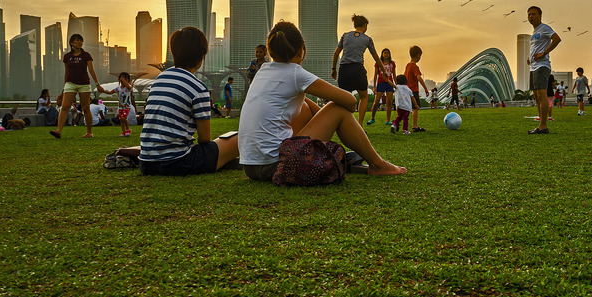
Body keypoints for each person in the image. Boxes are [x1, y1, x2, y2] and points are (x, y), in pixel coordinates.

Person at [239, 21, 406, 181]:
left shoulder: (262, 71)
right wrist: (332, 119)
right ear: (301, 50)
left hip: (251, 167)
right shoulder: (295, 72)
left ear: (270, 50)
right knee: (338, 109)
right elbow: (350, 101)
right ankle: (378, 164)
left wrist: (321, 117)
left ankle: (329, 153)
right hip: (278, 166)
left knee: (303, 105)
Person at [136, 27, 239, 176]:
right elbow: (204, 139)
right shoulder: (197, 87)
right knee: (239, 138)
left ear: (174, 52)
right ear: (201, 55)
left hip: (146, 163)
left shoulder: (160, 79)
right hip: (178, 162)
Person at [331, 14, 385, 125]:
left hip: (344, 68)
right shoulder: (367, 39)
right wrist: (384, 71)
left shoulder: (345, 36)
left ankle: (344, 123)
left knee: (345, 98)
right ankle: (359, 124)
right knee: (363, 97)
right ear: (365, 25)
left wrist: (333, 69)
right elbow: (376, 57)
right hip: (357, 69)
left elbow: (336, 53)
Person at [51, 34, 106, 138]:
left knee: (86, 108)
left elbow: (91, 70)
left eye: (81, 41)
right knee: (65, 107)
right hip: (70, 84)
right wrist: (65, 85)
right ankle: (59, 131)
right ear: (71, 43)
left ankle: (89, 132)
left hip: (84, 84)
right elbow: (66, 72)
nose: (80, 42)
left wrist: (97, 84)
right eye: (77, 40)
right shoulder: (67, 56)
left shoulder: (86, 55)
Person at [526, 6, 561, 134]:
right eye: (529, 14)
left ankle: (543, 125)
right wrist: (530, 57)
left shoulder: (545, 28)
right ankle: (541, 123)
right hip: (533, 66)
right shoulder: (534, 33)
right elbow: (536, 47)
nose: (530, 16)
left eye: (533, 14)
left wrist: (544, 53)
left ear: (540, 16)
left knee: (542, 95)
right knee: (536, 95)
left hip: (542, 66)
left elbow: (557, 39)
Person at [368, 48, 397, 125]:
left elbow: (394, 75)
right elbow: (375, 75)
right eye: (385, 53)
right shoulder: (378, 63)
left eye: (388, 53)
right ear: (382, 54)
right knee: (376, 102)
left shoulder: (392, 64)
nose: (386, 54)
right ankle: (372, 118)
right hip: (380, 83)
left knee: (389, 102)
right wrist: (374, 87)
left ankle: (388, 120)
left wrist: (396, 85)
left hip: (389, 83)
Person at [405, 45, 429, 132]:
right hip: (413, 90)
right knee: (416, 107)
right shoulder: (415, 67)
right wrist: (425, 88)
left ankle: (397, 123)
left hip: (407, 90)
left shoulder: (407, 66)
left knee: (407, 108)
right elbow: (418, 77)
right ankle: (414, 126)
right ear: (418, 55)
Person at [106, 72, 135, 137]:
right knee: (121, 120)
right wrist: (103, 91)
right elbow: (110, 92)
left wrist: (123, 80)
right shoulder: (118, 88)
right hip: (120, 106)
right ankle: (123, 132)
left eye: (125, 78)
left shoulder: (128, 87)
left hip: (127, 106)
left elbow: (128, 86)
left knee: (123, 118)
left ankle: (128, 129)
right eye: (121, 78)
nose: (122, 80)